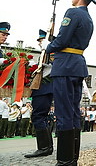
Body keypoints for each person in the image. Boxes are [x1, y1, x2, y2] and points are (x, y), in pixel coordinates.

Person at [45, 0, 96, 165]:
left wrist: (48, 47)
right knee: (73, 112)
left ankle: (65, 160)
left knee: (64, 112)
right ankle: (73, 157)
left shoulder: (72, 12)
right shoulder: (88, 18)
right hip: (77, 65)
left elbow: (62, 40)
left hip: (65, 65)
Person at [25, 29, 54, 158]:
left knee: (38, 116)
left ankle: (44, 148)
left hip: (44, 88)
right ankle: (47, 147)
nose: (39, 44)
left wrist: (36, 67)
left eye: (41, 41)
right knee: (40, 116)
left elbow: (50, 69)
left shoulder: (50, 52)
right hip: (42, 88)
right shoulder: (44, 53)